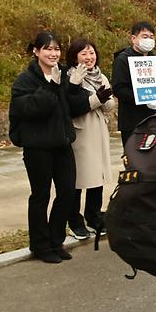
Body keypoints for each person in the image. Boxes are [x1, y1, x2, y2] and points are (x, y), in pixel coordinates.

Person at [9, 32, 91, 264]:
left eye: (56, 49)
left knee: (66, 192)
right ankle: (40, 245)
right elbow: (32, 109)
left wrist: (73, 88)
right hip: (38, 147)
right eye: (48, 49)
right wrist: (52, 87)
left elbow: (72, 108)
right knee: (41, 196)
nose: (53, 53)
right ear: (36, 51)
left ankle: (56, 240)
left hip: (62, 143)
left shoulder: (64, 74)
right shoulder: (25, 80)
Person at [65, 38, 115, 239]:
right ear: (74, 56)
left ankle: (93, 216)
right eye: (84, 53)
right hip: (81, 133)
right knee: (79, 178)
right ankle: (74, 221)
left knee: (98, 177)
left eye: (92, 52)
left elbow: (110, 106)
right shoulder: (70, 76)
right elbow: (73, 106)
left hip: (99, 132)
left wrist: (105, 100)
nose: (89, 57)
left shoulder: (100, 76)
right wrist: (97, 99)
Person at [112, 21, 156, 146]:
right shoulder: (122, 59)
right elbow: (119, 89)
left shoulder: (155, 59)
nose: (149, 40)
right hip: (132, 120)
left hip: (155, 118)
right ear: (133, 39)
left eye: (151, 37)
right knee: (135, 160)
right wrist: (143, 97)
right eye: (144, 36)